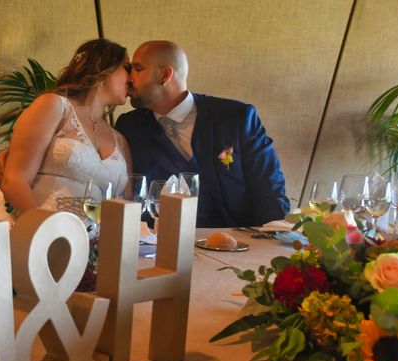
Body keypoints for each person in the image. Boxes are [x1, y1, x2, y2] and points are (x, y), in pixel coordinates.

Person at [115, 40, 290, 227]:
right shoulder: (130, 126)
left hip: (236, 243)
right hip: (160, 246)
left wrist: (265, 245)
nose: (129, 79)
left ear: (165, 75)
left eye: (138, 69)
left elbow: (270, 193)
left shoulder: (236, 118)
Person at [0, 39, 132, 224]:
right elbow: (15, 180)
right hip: (27, 226)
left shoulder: (120, 140)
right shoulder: (54, 106)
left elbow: (126, 203)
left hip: (88, 241)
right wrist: (44, 232)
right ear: (104, 67)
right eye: (126, 68)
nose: (132, 79)